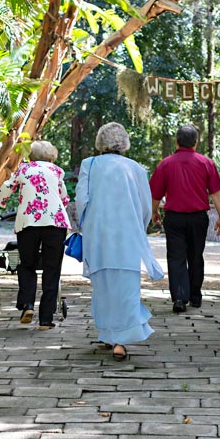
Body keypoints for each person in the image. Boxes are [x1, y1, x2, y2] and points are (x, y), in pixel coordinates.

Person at [76, 122, 164, 361]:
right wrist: (139, 226)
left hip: (99, 235)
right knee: (126, 287)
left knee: (102, 286)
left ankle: (109, 334)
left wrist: (84, 226)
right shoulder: (135, 168)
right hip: (127, 235)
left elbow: (82, 200)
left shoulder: (89, 165)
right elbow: (145, 204)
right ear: (124, 143)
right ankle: (119, 340)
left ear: (100, 142)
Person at [149, 124, 220, 313]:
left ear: (176, 141)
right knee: (195, 255)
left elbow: (155, 195)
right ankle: (195, 296)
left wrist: (153, 212)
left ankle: (179, 298)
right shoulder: (206, 163)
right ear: (196, 143)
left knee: (176, 257)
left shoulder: (165, 164)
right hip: (198, 218)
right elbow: (215, 193)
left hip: (174, 218)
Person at [0, 140, 71, 330]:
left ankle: (27, 305)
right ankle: (45, 320)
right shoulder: (57, 171)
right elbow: (64, 197)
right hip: (55, 223)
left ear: (31, 156)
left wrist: (1, 203)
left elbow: (6, 188)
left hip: (29, 222)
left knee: (27, 264)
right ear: (51, 156)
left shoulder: (24, 169)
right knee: (52, 269)